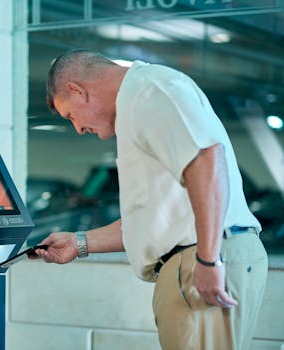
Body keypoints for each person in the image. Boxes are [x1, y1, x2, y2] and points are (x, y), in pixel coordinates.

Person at [35, 49, 268, 350]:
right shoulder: (138, 104)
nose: (78, 128)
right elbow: (153, 218)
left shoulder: (149, 91)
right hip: (196, 259)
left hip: (201, 259)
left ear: (77, 90)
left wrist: (209, 259)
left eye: (70, 115)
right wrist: (79, 242)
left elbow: (208, 161)